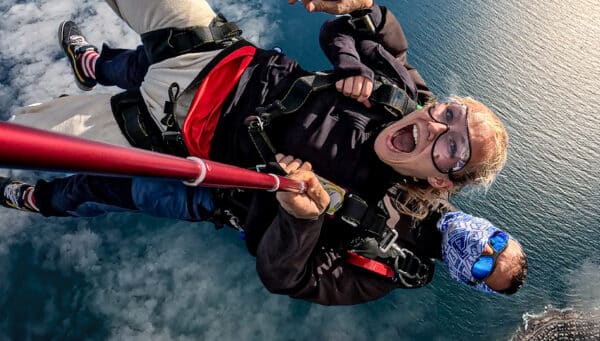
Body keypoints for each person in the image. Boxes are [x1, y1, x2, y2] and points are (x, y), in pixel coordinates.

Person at [1, 0, 527, 303]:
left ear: (446, 179)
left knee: (77, 168)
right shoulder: (411, 102)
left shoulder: (381, 258)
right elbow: (356, 29)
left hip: (181, 148)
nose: (437, 126)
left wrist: (301, 219)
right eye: (496, 242)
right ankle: (95, 68)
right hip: (220, 59)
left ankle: (38, 198)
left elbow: (285, 278)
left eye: (482, 268)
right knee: (140, 71)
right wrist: (359, 17)